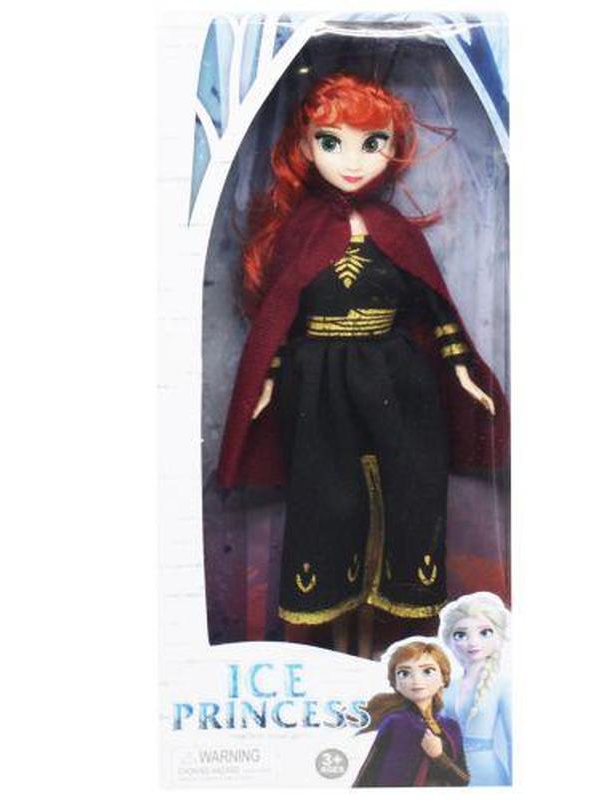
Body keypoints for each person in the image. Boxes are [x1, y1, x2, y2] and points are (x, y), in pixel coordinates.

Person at [216, 73, 509, 655]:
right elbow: (278, 316)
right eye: (332, 142)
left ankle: (383, 644)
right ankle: (334, 642)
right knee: (328, 499)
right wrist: (267, 380)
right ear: (304, 147)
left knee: (406, 491)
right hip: (318, 384)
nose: (352, 161)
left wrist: (461, 371)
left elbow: (434, 305)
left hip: (396, 380)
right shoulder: (300, 231)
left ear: (393, 148)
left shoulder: (394, 231)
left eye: (371, 143)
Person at [353, 639, 469, 787]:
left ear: (443, 678)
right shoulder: (396, 722)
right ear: (395, 683)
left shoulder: (451, 726)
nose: (416, 679)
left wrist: (439, 757)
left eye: (427, 671)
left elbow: (463, 781)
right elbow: (370, 773)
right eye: (404, 673)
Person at [439, 592, 512, 785]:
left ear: (498, 636)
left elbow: (513, 741)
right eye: (461, 634)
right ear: (449, 640)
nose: (473, 642)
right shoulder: (447, 686)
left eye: (484, 632)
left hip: (486, 774)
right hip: (449, 773)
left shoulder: (503, 685)